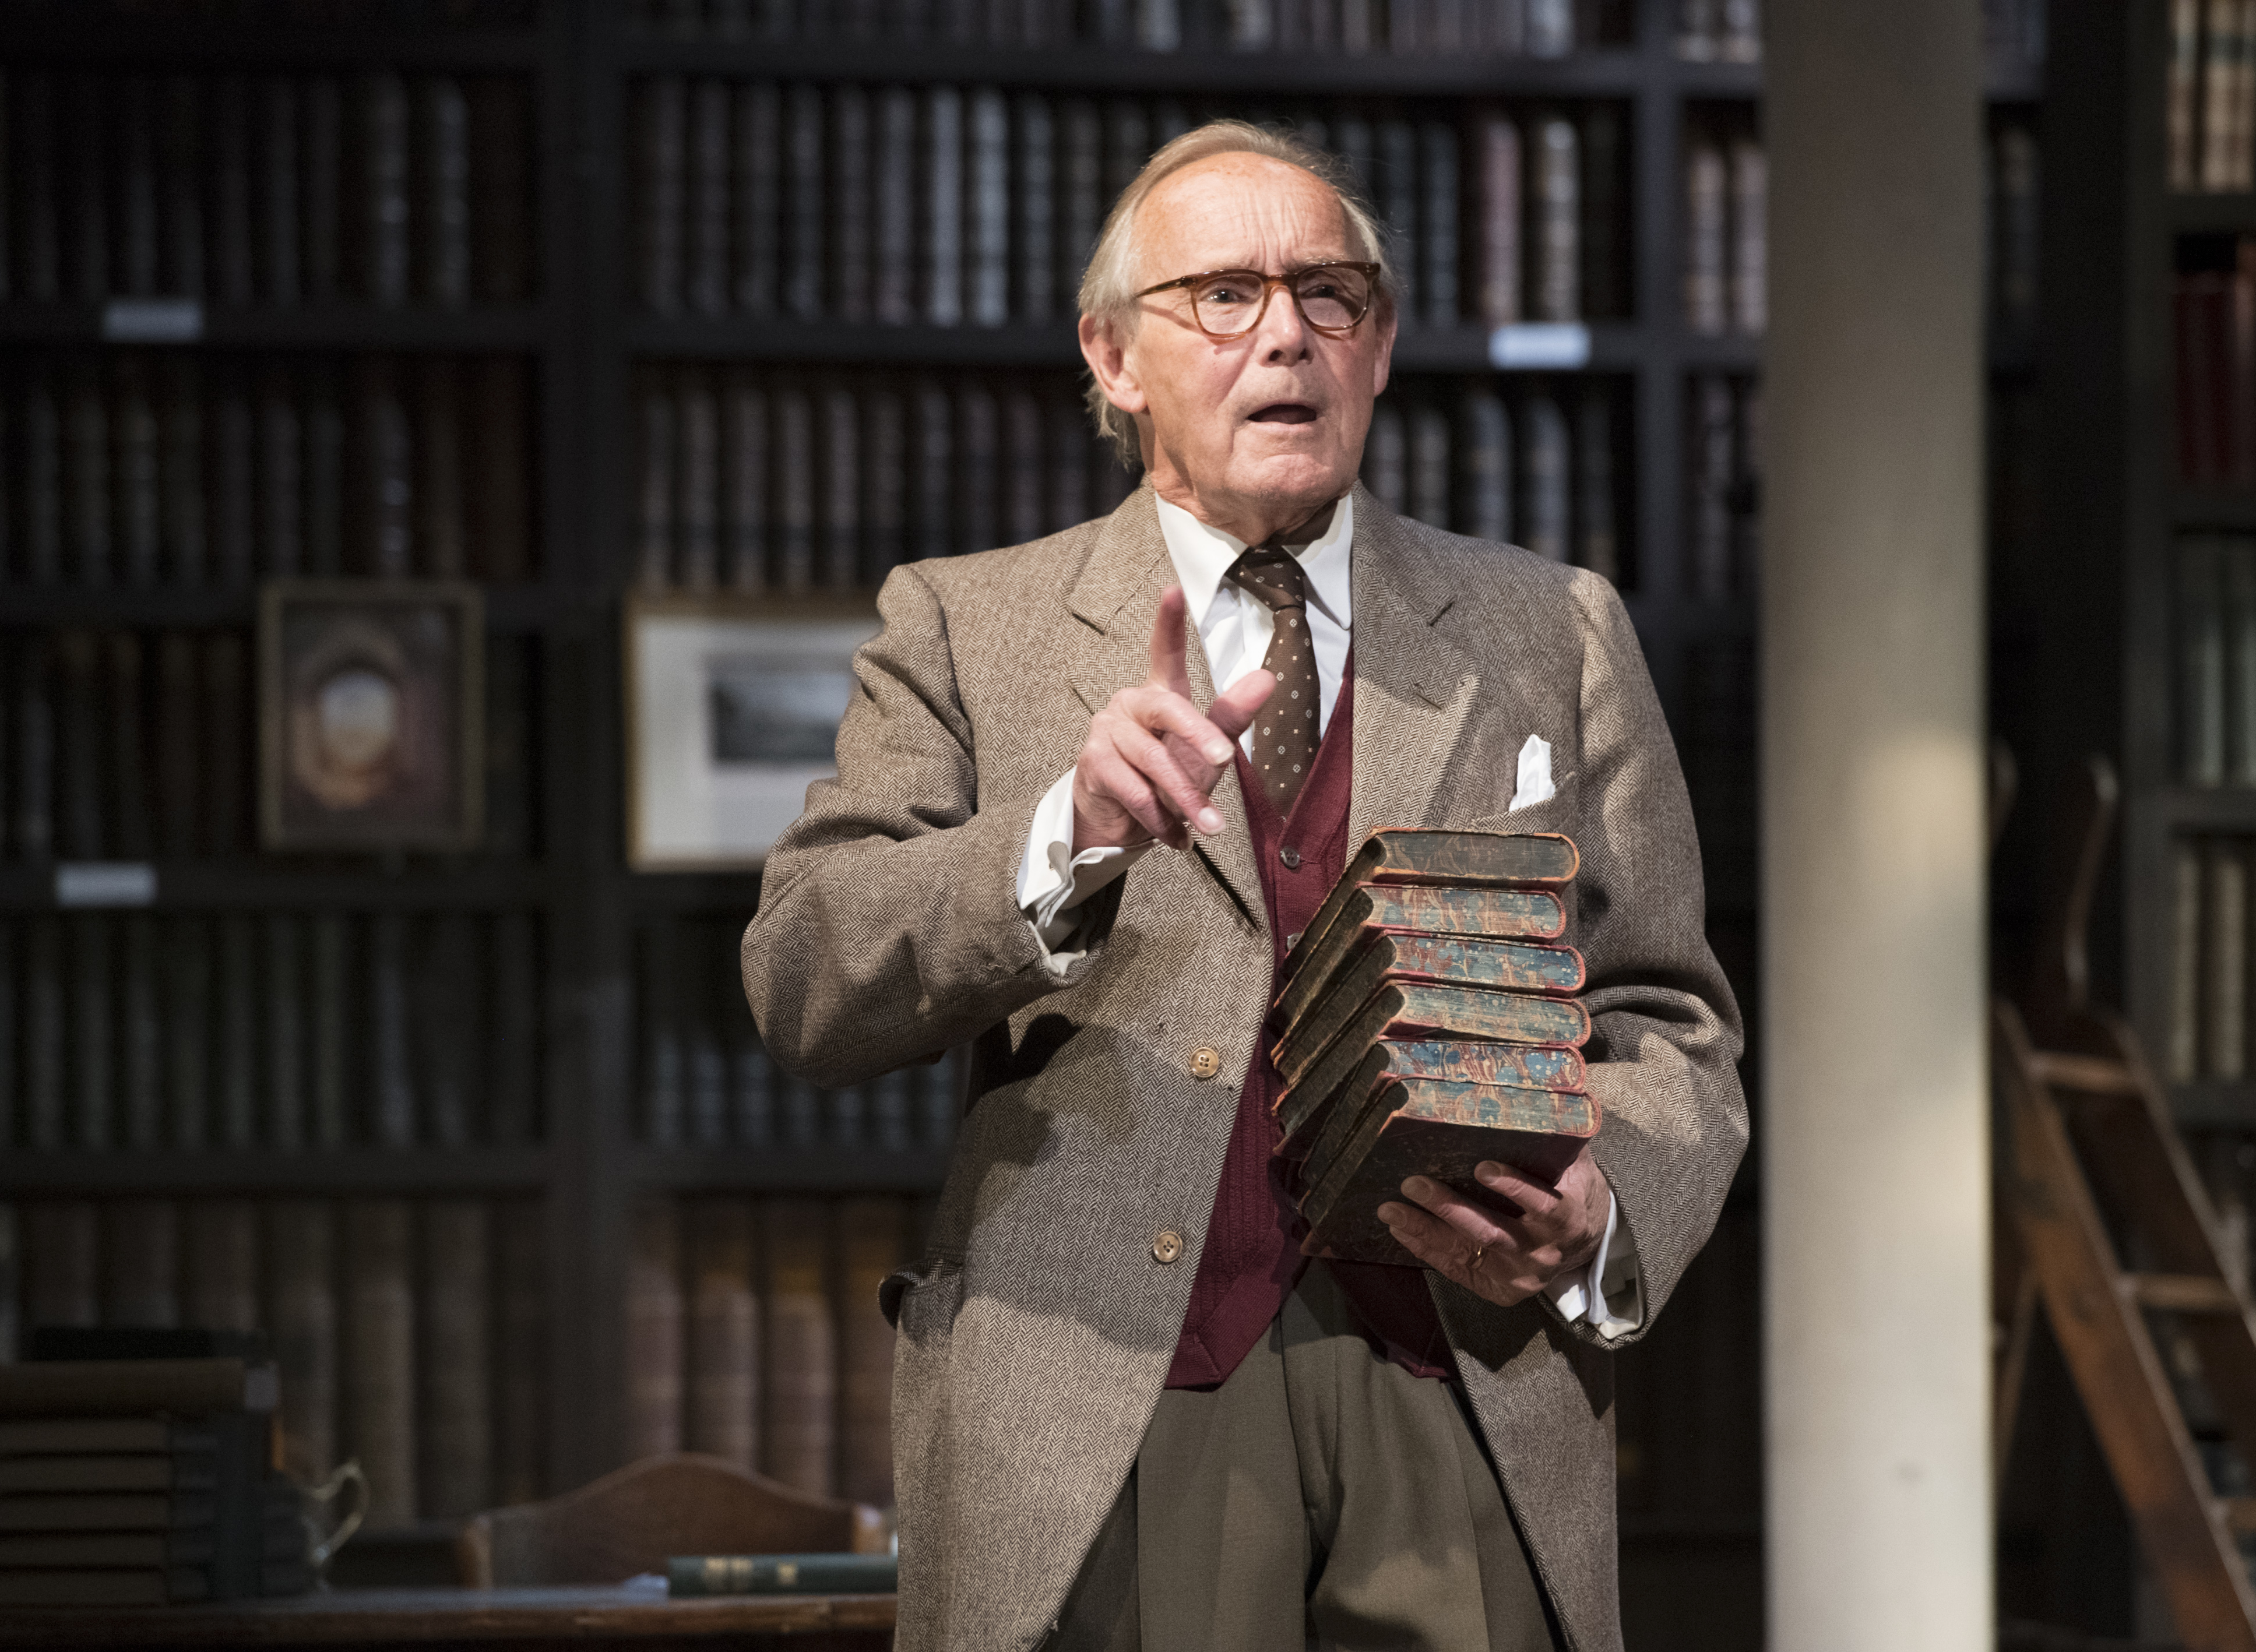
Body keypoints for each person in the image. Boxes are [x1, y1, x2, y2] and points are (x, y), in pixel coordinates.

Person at [743, 120, 1747, 1652]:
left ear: (1380, 344)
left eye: (1328, 294)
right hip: (1112, 1400)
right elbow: (808, 971)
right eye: (1221, 293)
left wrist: (1604, 1213)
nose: (1283, 331)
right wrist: (1060, 835)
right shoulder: (967, 623)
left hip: (1459, 1385)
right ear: (1112, 355)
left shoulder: (1551, 630)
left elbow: (1668, 1019)